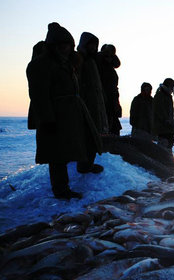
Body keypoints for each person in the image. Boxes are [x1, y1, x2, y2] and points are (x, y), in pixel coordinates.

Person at [26, 22, 102, 199]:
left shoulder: (68, 63)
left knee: (81, 142)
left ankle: (83, 168)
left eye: (68, 45)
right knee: (57, 154)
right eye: (62, 45)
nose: (66, 49)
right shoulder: (41, 65)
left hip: (72, 112)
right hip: (55, 114)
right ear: (53, 46)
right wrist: (47, 119)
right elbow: (39, 95)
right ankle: (61, 190)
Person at [76, 32, 108, 173]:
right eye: (91, 45)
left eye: (95, 45)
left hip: (95, 103)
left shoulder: (92, 61)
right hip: (85, 104)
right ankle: (83, 166)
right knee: (86, 136)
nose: (94, 47)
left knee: (93, 136)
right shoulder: (79, 60)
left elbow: (97, 86)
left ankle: (88, 164)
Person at [96, 44, 122, 136]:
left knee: (114, 131)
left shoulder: (111, 69)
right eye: (107, 55)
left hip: (112, 103)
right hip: (102, 102)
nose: (109, 58)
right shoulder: (98, 66)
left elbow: (114, 89)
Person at [153, 78, 174, 150]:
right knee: (163, 149)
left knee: (168, 146)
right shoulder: (160, 96)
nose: (173, 90)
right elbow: (159, 111)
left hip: (168, 129)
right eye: (172, 87)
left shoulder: (167, 96)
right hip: (163, 129)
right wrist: (166, 121)